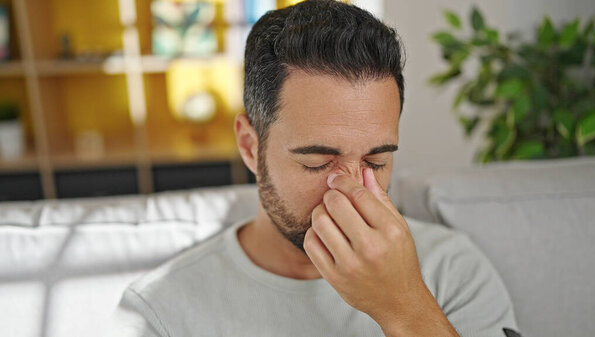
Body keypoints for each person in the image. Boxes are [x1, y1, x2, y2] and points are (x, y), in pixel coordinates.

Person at [107, 1, 521, 336]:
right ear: (251, 146)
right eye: (318, 162)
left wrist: (404, 307)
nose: (351, 190)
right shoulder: (160, 310)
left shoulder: (452, 270)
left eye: (376, 161)